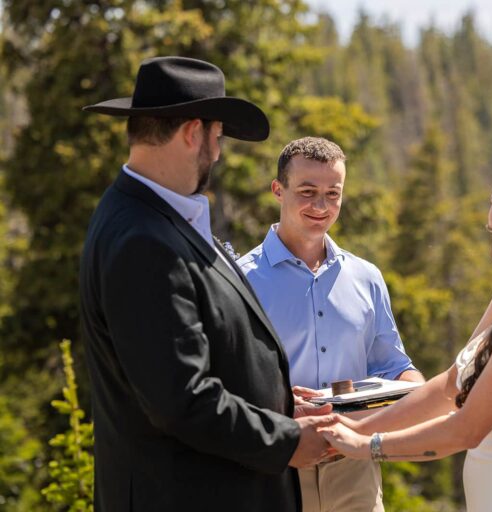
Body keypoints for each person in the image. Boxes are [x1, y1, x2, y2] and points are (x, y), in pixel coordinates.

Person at [79, 56, 337, 512]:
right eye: (217, 137)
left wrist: (274, 400)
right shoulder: (143, 238)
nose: (217, 153)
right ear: (193, 133)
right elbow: (181, 398)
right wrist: (286, 440)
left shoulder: (155, 218)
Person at [320, 152, 492, 511]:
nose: (490, 219)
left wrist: (367, 446)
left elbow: (466, 429)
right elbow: (451, 384)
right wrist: (353, 427)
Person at [237, 136, 425, 512]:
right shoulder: (243, 281)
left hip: (356, 466)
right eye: (307, 191)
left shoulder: (366, 277)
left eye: (332, 194)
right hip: (276, 467)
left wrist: (419, 390)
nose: (321, 206)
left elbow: (393, 365)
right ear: (278, 190)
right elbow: (231, 380)